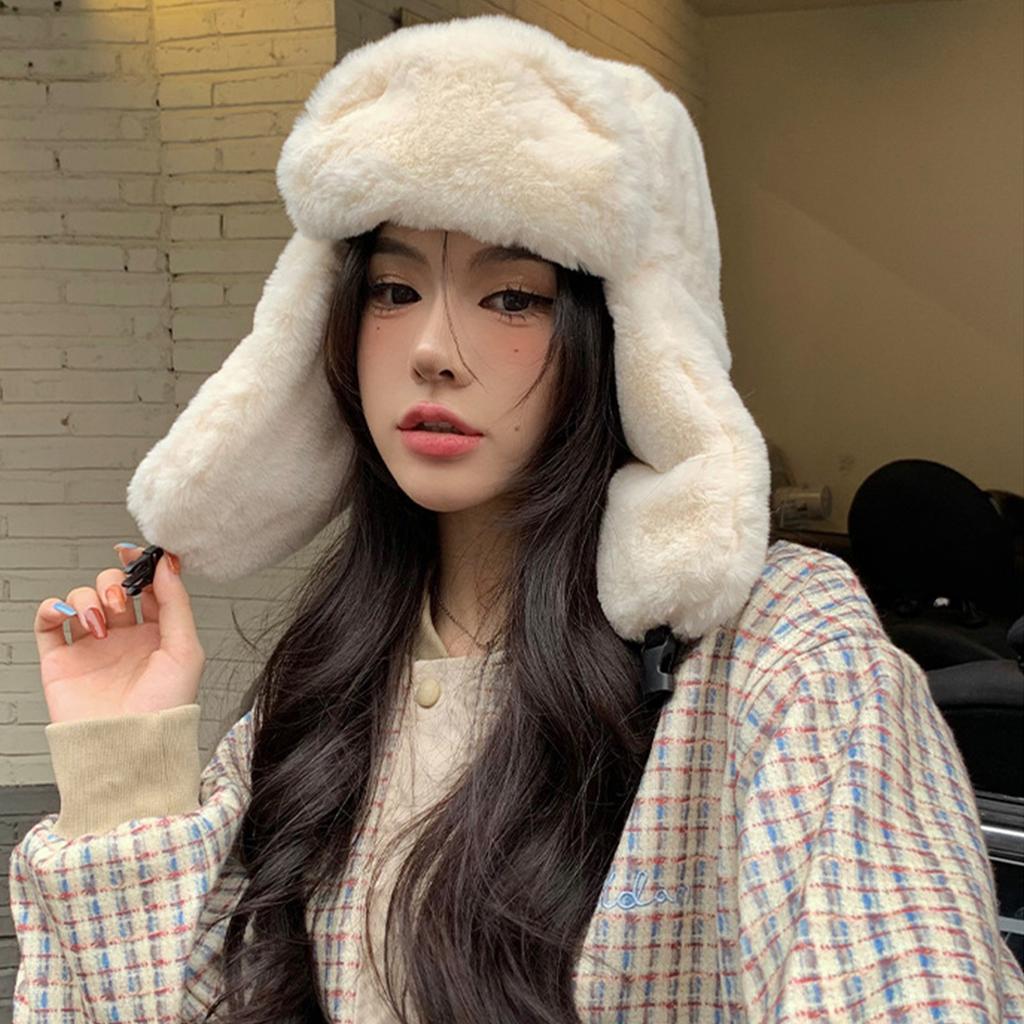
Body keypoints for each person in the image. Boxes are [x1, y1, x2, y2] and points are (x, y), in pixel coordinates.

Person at [11, 13, 1024, 1024]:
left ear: (624, 337)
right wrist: (126, 764)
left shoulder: (778, 652)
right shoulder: (328, 678)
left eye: (511, 298)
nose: (431, 350)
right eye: (394, 289)